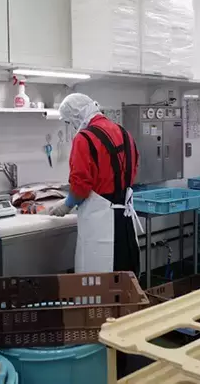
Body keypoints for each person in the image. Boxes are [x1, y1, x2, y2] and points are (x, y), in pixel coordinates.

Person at [48, 93, 141, 276]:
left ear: (76, 116)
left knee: (99, 280)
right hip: (125, 220)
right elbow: (134, 168)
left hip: (101, 223)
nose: (72, 126)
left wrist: (67, 204)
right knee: (126, 279)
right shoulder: (124, 133)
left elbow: (80, 185)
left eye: (70, 122)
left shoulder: (84, 138)